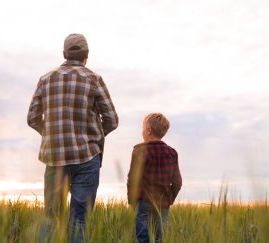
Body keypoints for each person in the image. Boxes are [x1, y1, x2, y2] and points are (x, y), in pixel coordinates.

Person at [27, 33, 119, 243]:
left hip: (54, 160)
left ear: (64, 54)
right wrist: (91, 136)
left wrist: (51, 135)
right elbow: (112, 120)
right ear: (87, 55)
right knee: (80, 221)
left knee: (51, 219)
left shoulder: (46, 79)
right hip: (87, 159)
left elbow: (32, 118)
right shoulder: (94, 80)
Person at [127, 113, 182, 243]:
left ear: (149, 130)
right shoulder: (172, 152)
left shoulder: (139, 150)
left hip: (142, 202)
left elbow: (132, 179)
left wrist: (131, 201)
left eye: (142, 127)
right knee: (160, 238)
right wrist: (169, 199)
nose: (142, 131)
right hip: (163, 203)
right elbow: (177, 182)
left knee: (143, 238)